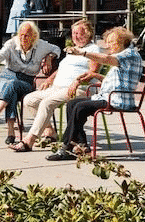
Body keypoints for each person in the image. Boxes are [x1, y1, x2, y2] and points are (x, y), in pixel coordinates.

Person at [47, 27, 143, 161]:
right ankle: (82, 145)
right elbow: (116, 80)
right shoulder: (124, 54)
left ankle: (66, 147)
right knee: (72, 104)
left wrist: (83, 53)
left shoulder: (129, 54)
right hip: (110, 95)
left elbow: (106, 59)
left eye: (111, 42)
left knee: (80, 107)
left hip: (118, 99)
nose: (108, 45)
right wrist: (95, 75)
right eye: (107, 42)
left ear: (122, 41)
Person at [10, 20, 100, 152]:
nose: (74, 36)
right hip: (57, 88)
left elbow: (93, 73)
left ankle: (29, 141)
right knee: (29, 100)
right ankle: (50, 132)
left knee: (46, 103)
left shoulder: (93, 50)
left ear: (87, 34)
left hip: (78, 89)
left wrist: (77, 82)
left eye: (77, 33)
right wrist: (49, 80)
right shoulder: (72, 50)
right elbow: (62, 69)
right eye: (73, 33)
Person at [0, 21, 61, 144]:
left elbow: (56, 49)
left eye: (27, 35)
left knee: (11, 87)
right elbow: (1, 55)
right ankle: (10, 132)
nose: (23, 38)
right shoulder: (11, 43)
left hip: (26, 81)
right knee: (11, 90)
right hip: (6, 76)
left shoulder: (41, 45)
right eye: (21, 35)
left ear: (34, 36)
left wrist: (49, 57)